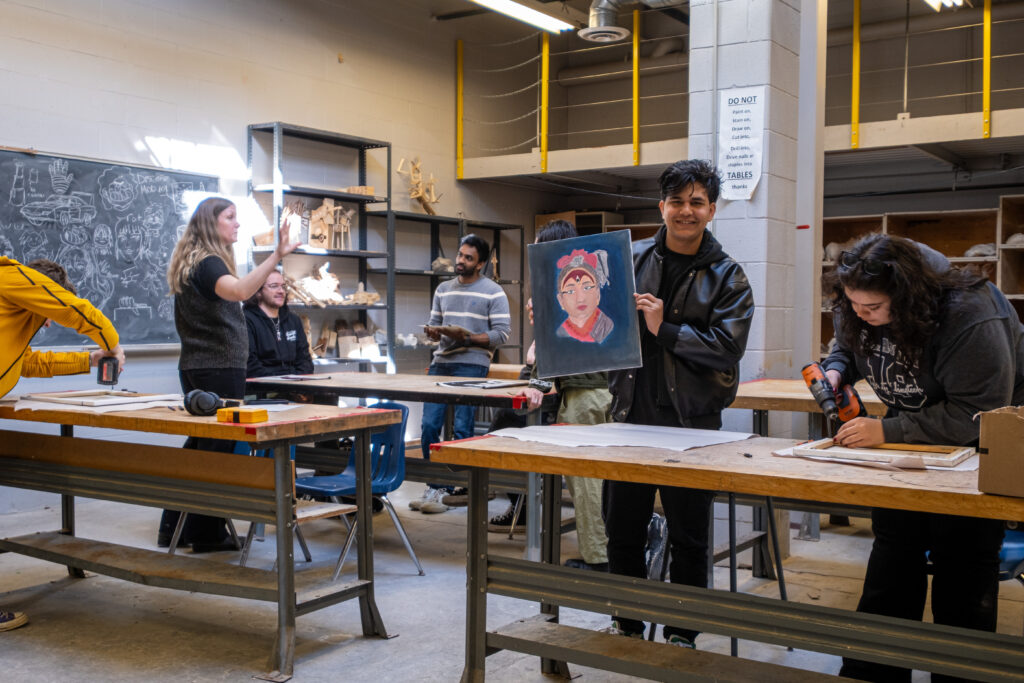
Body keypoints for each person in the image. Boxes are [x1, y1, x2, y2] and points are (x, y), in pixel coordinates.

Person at [822, 234, 1024, 683]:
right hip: (911, 439)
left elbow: (977, 415)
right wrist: (836, 368)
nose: (861, 314)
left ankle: (960, 673)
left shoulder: (971, 316)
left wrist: (887, 430)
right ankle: (872, 670)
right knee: (894, 551)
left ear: (907, 297)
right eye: (854, 305)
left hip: (983, 443)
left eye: (872, 309)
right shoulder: (858, 295)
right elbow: (850, 344)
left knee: (964, 564)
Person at [603, 159, 754, 647]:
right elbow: (601, 328)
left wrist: (663, 329)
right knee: (622, 529)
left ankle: (682, 630)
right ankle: (626, 620)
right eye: (676, 201)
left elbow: (726, 348)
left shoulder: (728, 276)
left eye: (696, 202)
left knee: (689, 535)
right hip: (630, 415)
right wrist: (564, 322)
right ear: (661, 206)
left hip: (693, 423)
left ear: (712, 209)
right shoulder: (630, 259)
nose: (685, 211)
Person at [161, 196, 296, 551]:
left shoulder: (196, 261)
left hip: (199, 365)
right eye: (230, 217)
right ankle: (205, 534)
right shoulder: (207, 263)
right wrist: (277, 255)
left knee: (199, 447)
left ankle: (174, 527)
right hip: (217, 368)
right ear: (211, 223)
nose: (237, 224)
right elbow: (239, 291)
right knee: (216, 452)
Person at [0, 256, 126, 633]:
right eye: (44, 314)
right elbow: (77, 311)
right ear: (45, 291)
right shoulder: (11, 277)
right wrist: (112, 344)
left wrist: (90, 360)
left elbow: (26, 364)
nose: (46, 323)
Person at [499, 220, 612, 571]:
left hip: (585, 397)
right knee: (603, 483)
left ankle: (598, 558)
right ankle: (611, 553)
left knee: (586, 483)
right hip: (606, 395)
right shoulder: (596, 288)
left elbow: (563, 353)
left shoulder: (562, 291)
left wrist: (539, 378)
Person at [411, 234, 511, 514]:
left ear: (479, 264)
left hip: (473, 362)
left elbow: (501, 334)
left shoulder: (493, 292)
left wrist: (467, 339)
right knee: (430, 424)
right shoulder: (443, 289)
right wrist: (433, 332)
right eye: (459, 255)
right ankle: (435, 484)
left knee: (463, 428)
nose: (460, 261)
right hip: (441, 361)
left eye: (468, 258)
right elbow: (434, 325)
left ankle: (462, 483)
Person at [244, 269, 313, 377]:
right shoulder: (246, 320)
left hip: (295, 386)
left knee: (329, 392)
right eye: (274, 286)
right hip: (264, 387)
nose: (281, 291)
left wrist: (297, 382)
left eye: (283, 286)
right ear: (258, 292)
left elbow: (305, 361)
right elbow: (251, 366)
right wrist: (282, 381)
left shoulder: (294, 320)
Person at [554, 248, 613, 343]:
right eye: (570, 291)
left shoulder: (606, 327)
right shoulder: (561, 333)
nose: (580, 299)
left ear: (597, 294)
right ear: (561, 300)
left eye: (587, 288)